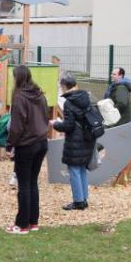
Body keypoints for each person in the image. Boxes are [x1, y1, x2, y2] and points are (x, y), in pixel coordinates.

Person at [5, 65, 50, 235]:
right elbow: (45, 117)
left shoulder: (19, 97)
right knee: (32, 182)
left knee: (24, 185)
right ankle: (33, 221)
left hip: (27, 144)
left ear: (19, 78)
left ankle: (22, 225)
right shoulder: (39, 95)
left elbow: (16, 126)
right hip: (41, 142)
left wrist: (10, 144)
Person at [51, 73, 94, 211]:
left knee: (74, 170)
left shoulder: (69, 103)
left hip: (75, 140)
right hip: (87, 138)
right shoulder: (85, 97)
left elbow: (68, 125)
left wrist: (55, 124)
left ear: (64, 86)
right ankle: (84, 199)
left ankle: (78, 201)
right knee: (81, 169)